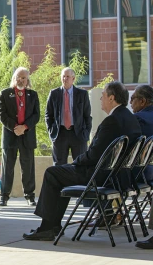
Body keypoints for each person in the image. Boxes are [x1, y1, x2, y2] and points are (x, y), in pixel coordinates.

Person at [24, 81, 142, 241]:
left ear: (112, 98)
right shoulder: (130, 118)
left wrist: (75, 162)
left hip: (101, 176)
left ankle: (48, 227)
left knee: (53, 173)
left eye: (103, 96)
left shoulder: (112, 121)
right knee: (60, 174)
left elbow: (94, 155)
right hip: (119, 175)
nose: (101, 99)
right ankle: (53, 226)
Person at [0, 67, 40, 206]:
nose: (21, 80)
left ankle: (30, 196)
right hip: (11, 135)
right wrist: (15, 127)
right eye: (18, 77)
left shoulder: (33, 95)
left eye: (24, 78)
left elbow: (36, 115)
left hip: (27, 136)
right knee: (7, 167)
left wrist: (24, 127)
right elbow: (1, 114)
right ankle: (3, 196)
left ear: (28, 80)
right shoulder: (5, 93)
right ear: (14, 78)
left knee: (28, 167)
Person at [45, 67, 92, 165]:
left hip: (78, 134)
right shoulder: (54, 93)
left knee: (81, 165)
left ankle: (79, 181)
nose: (65, 79)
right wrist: (51, 130)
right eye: (63, 76)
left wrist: (86, 133)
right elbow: (48, 115)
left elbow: (87, 116)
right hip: (60, 133)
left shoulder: (82, 94)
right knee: (59, 166)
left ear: (73, 79)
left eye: (67, 76)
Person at [130, 85, 153, 250]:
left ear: (143, 101)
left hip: (143, 172)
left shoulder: (138, 119)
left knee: (109, 173)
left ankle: (108, 217)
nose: (131, 102)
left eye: (133, 99)